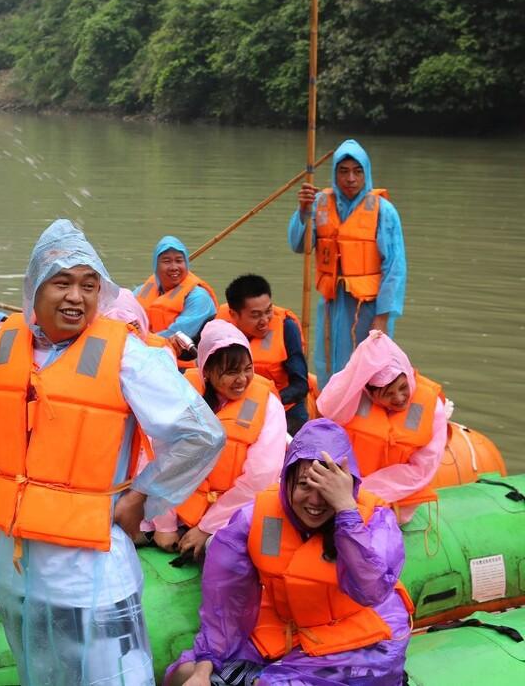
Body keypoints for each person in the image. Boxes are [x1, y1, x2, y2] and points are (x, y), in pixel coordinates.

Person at [0, 219, 225, 685]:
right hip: (18, 566)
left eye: (89, 285)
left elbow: (201, 434)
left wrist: (141, 498)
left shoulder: (127, 355)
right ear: (34, 287)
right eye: (62, 282)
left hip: (91, 568)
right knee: (40, 674)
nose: (76, 296)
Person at [164, 419, 412, 686]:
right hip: (288, 624)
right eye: (305, 485)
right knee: (184, 674)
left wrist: (345, 511)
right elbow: (225, 603)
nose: (315, 502)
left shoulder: (376, 521)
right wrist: (203, 669)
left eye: (327, 488)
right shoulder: (254, 519)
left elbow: (371, 590)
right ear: (287, 480)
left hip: (361, 639)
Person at [148, 320, 286, 562]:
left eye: (247, 369)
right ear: (207, 373)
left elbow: (259, 479)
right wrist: (165, 524)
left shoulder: (268, 406)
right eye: (231, 372)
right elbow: (163, 459)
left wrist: (207, 528)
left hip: (240, 511)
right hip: (183, 508)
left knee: (221, 553)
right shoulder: (184, 395)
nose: (242, 379)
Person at [289, 139, 407, 383]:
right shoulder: (319, 203)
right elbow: (299, 245)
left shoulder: (383, 210)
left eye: (357, 171)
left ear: (366, 173)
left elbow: (395, 268)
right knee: (328, 363)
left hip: (368, 306)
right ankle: (329, 411)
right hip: (332, 303)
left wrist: (382, 318)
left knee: (370, 367)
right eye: (343, 171)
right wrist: (303, 211)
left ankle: (364, 417)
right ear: (335, 174)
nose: (350, 179)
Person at [316, 330, 447, 524]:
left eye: (403, 388)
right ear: (370, 392)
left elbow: (422, 468)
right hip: (343, 493)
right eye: (388, 394)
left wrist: (360, 493)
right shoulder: (351, 398)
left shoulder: (431, 405)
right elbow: (327, 410)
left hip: (398, 503)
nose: (400, 398)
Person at [220, 274, 311, 434]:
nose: (265, 320)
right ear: (234, 314)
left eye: (268, 311)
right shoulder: (217, 325)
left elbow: (300, 386)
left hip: (282, 404)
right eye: (255, 315)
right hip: (235, 401)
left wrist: (265, 400)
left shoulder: (287, 328)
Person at [134, 235, 218, 341]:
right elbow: (125, 310)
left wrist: (139, 340)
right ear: (156, 266)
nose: (174, 268)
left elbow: (178, 333)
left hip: (183, 354)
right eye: (167, 261)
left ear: (186, 264)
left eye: (179, 261)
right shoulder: (145, 289)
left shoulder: (199, 297)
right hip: (147, 346)